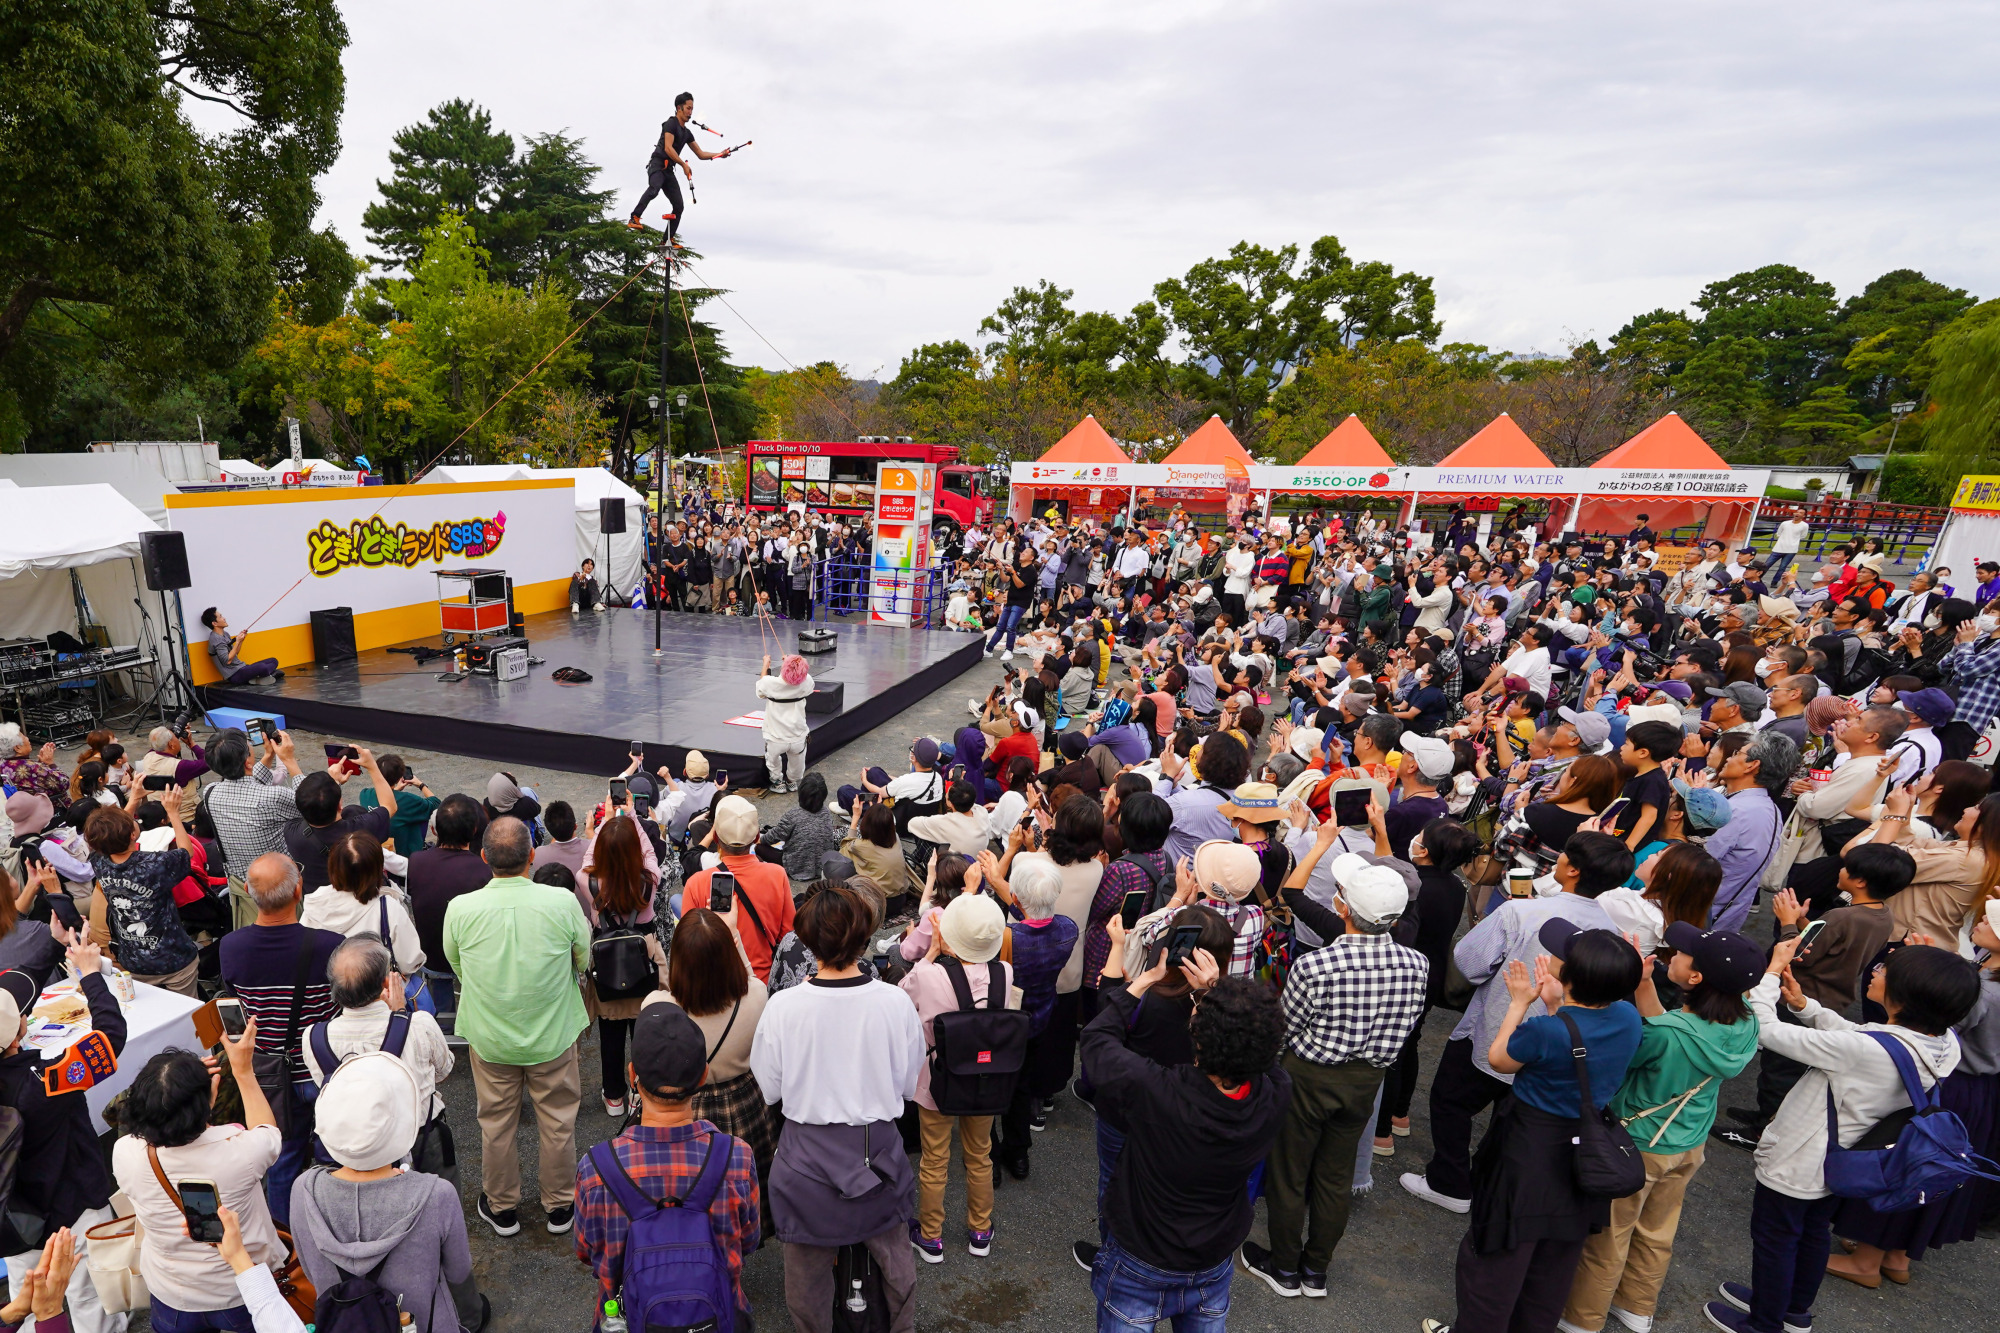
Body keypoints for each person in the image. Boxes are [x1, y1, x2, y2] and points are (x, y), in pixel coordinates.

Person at [1704, 941, 1981, 1333]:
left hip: (1802, 1160)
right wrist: (1807, 1007)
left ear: (1904, 996)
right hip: (1848, 1155)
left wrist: (1770, 972)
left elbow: (1764, 1029)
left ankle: (1765, 1322)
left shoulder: (1863, 1050)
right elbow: (1866, 1037)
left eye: (1887, 970)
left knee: (1776, 1238)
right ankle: (1792, 1309)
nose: (1877, 970)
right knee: (1814, 1231)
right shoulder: (1944, 1043)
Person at [1423, 927, 1643, 1333]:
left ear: (1572, 976)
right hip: (1583, 1155)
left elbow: (1499, 1059)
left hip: (1528, 1153)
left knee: (1496, 1261)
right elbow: (1580, 1049)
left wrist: (1520, 1003)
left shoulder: (1546, 1030)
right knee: (1554, 1264)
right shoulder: (1629, 1018)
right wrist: (1560, 1006)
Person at [1403, 832, 1633, 1214]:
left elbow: (1470, 961)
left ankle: (1450, 1181)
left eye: (1563, 856)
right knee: (1511, 1115)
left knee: (1450, 1100)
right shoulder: (1610, 932)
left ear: (1572, 869)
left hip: (1495, 1027)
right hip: (1561, 1038)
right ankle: (1487, 1183)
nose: (1556, 859)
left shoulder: (1522, 911)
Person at [1560, 924, 1763, 1333]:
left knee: (1609, 1235)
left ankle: (1582, 1318)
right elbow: (1682, 1037)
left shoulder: (1664, 1034)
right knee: (1656, 1231)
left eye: (1684, 955)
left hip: (1637, 1144)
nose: (1673, 955)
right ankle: (1636, 1308)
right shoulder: (1746, 1025)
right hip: (1687, 1143)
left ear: (1695, 978)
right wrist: (1644, 987)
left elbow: (1642, 1048)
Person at [1243, 854, 1428, 1298]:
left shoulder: (1316, 965)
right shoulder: (1417, 965)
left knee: (1289, 1172)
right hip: (1367, 1080)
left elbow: (1285, 1030)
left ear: (1342, 907)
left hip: (1308, 1076)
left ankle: (1285, 1267)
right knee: (1334, 1175)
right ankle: (1316, 1269)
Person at [1081, 949, 1290, 1332]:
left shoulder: (1159, 1092)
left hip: (1140, 1260)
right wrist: (1217, 990)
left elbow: (1096, 1041)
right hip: (1212, 1260)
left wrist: (1141, 982)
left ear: (1199, 1040)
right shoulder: (1275, 1092)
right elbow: (1256, 1039)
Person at [750, 884, 925, 1332]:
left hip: (805, 1160)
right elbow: (908, 1088)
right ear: (865, 936)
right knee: (895, 1264)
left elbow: (770, 1090)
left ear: (807, 940)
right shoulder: (895, 1002)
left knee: (806, 1279)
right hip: (878, 1154)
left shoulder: (783, 1008)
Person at [443, 817, 592, 1240]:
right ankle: (561, 1205)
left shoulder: (461, 908)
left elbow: (458, 967)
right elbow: (583, 960)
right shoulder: (561, 903)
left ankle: (502, 1206)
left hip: (491, 1035)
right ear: (532, 856)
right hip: (553, 1033)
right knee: (559, 1122)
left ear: (484, 856)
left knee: (496, 1123)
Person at [575, 1002, 762, 1330]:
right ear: (703, 1075)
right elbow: (747, 1240)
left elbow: (588, 1253)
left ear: (632, 1075)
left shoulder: (596, 1170)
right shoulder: (736, 1158)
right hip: (718, 1316)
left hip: (626, 1319)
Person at [289, 1052, 482, 1333]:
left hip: (342, 1324)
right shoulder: (436, 1194)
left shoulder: (303, 1190)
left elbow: (309, 1269)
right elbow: (458, 1272)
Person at [112, 1019, 281, 1332]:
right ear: (206, 1105)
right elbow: (268, 1132)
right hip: (240, 1290)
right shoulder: (240, 1152)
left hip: (172, 1293)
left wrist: (184, 1090)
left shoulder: (124, 1152)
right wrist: (242, 1071)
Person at [0, 932, 127, 1333]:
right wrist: (91, 975)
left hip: (13, 1216)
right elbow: (110, 1039)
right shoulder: (45, 1082)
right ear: (19, 1030)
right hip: (72, 1202)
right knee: (93, 1294)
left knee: (25, 1294)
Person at [218, 852, 345, 1227]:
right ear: (298, 890)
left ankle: (287, 1239)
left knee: (282, 1157)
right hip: (321, 1067)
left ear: (248, 893)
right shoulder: (329, 945)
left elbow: (235, 1005)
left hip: (268, 1074)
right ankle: (333, 1222)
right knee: (334, 1151)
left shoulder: (232, 947)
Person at [901, 893, 1015, 1262]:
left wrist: (931, 952)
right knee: (979, 1155)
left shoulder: (931, 975)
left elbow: (902, 998)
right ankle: (980, 1230)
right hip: (986, 1078)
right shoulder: (1005, 972)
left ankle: (931, 1236)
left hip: (938, 1081)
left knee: (934, 1158)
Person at [655, 906, 778, 1175]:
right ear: (727, 956)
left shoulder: (658, 1008)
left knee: (697, 1188)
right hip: (746, 1102)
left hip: (686, 1108)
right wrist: (733, 933)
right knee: (752, 1183)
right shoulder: (756, 996)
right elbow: (750, 981)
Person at [303, 937, 455, 1142]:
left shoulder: (314, 1037)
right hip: (418, 1138)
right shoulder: (419, 1025)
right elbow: (443, 1071)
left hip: (354, 1143)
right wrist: (400, 1014)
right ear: (386, 982)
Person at [580, 812, 668, 1117]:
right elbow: (649, 852)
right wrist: (630, 817)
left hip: (607, 965)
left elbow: (590, 854)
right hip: (642, 960)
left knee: (611, 1034)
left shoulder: (587, 880)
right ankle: (639, 1094)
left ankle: (614, 1096)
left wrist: (607, 820)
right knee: (644, 1033)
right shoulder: (648, 880)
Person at [82, 798, 201, 996]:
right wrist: (173, 814)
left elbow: (107, 837)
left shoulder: (99, 862)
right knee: (189, 1016)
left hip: (134, 961)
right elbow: (187, 853)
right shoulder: (154, 864)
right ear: (134, 834)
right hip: (174, 958)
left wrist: (133, 797)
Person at [202, 728, 311, 929]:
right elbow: (309, 804)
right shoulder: (272, 797)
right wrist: (289, 760)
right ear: (248, 761)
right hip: (278, 886)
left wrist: (268, 756)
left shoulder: (210, 794)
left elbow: (246, 785)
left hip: (242, 888)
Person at [682, 795, 796, 982]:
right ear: (757, 837)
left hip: (714, 986)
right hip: (762, 981)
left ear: (716, 837)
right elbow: (787, 936)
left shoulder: (697, 883)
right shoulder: (777, 874)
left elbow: (688, 949)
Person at [405, 794, 489, 1021]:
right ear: (474, 830)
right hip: (471, 956)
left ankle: (444, 1025)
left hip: (432, 953)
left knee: (440, 990)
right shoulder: (483, 870)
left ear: (434, 830)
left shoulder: (416, 861)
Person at [300, 831, 426, 978]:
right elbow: (409, 962)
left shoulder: (314, 903)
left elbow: (306, 956)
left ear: (333, 866)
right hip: (381, 995)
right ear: (377, 868)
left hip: (332, 993)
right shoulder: (388, 907)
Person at [282, 750, 396, 892]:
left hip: (318, 904)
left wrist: (332, 784)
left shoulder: (291, 831)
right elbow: (389, 806)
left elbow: (306, 803)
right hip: (358, 899)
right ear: (340, 805)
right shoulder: (358, 834)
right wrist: (372, 766)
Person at [626, 92, 734, 242]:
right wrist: (683, 164)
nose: (690, 112)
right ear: (679, 108)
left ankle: (667, 240)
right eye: (688, 108)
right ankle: (634, 218)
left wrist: (719, 154)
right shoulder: (671, 124)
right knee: (654, 188)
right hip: (657, 165)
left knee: (679, 205)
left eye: (692, 109)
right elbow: (668, 149)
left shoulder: (687, 133)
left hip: (668, 171)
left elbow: (700, 153)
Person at [354, 753, 439, 857]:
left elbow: (383, 802)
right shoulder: (408, 800)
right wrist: (420, 784)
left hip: (374, 853)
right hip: (403, 858)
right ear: (400, 776)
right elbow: (436, 804)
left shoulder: (365, 794)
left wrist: (395, 790)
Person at [757, 653, 814, 793]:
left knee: (772, 760)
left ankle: (777, 782)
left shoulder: (771, 684)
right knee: (797, 762)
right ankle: (792, 781)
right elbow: (804, 677)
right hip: (797, 735)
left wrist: (766, 665)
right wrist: (789, 662)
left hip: (775, 736)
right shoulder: (807, 682)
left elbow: (761, 685)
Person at [199, 607, 281, 684]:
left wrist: (241, 641)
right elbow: (227, 661)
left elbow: (235, 653)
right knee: (263, 667)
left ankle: (258, 677)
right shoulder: (216, 639)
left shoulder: (225, 634)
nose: (224, 618)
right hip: (235, 675)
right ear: (214, 623)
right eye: (220, 617)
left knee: (274, 661)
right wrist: (237, 642)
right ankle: (262, 676)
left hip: (242, 667)